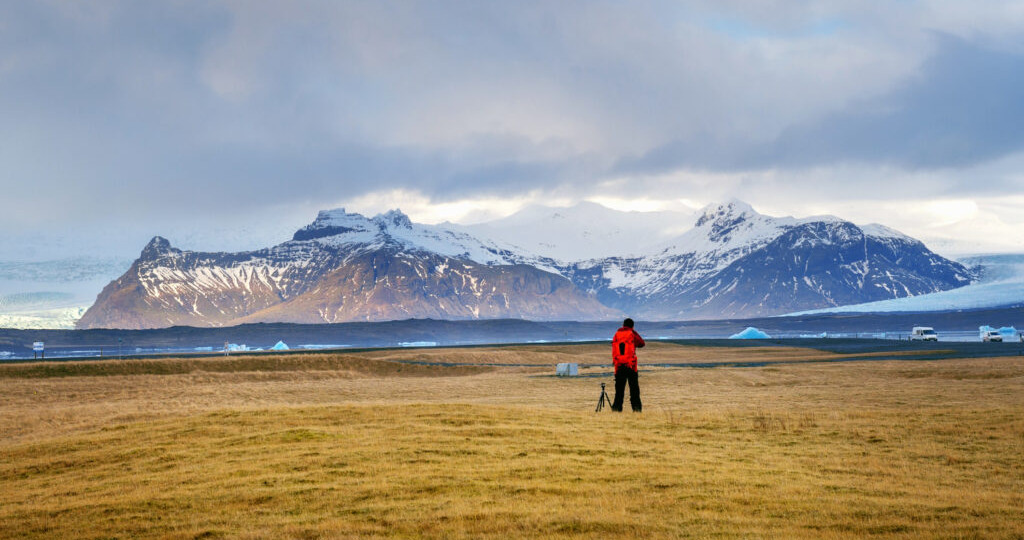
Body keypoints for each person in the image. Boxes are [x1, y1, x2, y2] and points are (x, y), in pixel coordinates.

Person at [611, 318, 645, 412]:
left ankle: (616, 410)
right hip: (631, 366)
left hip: (619, 366)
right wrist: (633, 331)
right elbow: (642, 343)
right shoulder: (632, 333)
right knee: (634, 390)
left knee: (619, 391)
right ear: (632, 326)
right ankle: (637, 410)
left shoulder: (617, 334)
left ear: (623, 325)